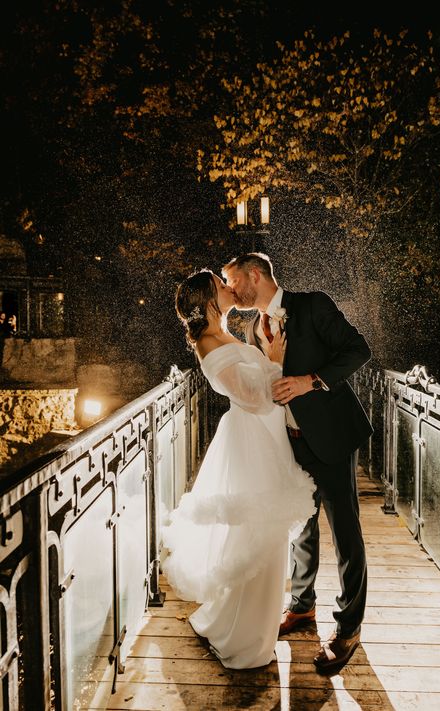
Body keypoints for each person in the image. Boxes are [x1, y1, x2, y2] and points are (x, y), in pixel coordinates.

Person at [222, 253, 373, 672]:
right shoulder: (253, 326)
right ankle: (303, 606)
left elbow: (358, 350)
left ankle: (349, 628)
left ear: (255, 275)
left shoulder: (312, 305)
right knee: (301, 529)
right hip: (287, 442)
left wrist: (311, 380)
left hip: (331, 437)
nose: (231, 291)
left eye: (233, 281)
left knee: (345, 532)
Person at [162, 269, 316, 669]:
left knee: (265, 534)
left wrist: (266, 355)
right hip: (251, 441)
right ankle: (246, 642)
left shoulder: (227, 331)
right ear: (209, 298)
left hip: (264, 436)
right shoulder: (208, 342)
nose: (229, 287)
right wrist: (278, 362)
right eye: (220, 284)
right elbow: (251, 396)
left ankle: (247, 627)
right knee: (259, 536)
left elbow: (255, 383)